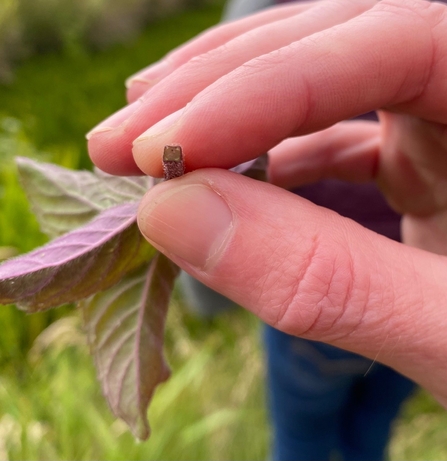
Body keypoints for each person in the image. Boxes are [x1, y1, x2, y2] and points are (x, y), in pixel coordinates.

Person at [86, 0, 447, 458]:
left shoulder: (266, 10)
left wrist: (208, 295)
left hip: (318, 329)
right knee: (371, 425)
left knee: (303, 437)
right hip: (425, 271)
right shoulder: (425, 18)